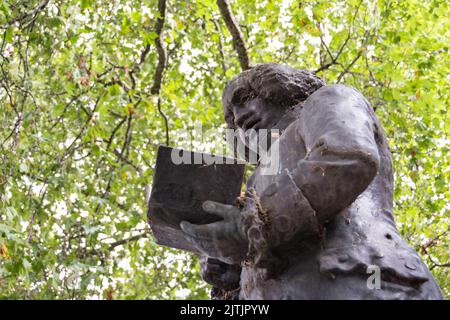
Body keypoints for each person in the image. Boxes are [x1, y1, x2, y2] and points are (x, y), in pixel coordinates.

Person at [180, 63, 443, 299]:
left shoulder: (325, 101)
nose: (238, 119)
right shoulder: (255, 181)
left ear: (280, 87)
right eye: (231, 120)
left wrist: (253, 225)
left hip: (364, 281)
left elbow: (348, 159)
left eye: (246, 98)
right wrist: (231, 267)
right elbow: (260, 251)